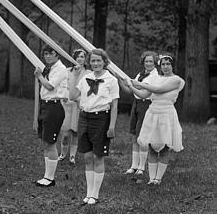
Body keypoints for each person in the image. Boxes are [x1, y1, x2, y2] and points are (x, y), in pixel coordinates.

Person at [69, 47, 119, 205]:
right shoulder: (85, 78)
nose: (96, 63)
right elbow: (72, 96)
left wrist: (111, 126)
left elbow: (115, 106)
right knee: (87, 157)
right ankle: (89, 192)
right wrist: (76, 76)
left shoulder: (111, 80)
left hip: (101, 119)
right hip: (84, 117)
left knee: (98, 157)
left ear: (105, 62)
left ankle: (95, 194)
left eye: (99, 60)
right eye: (93, 60)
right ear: (89, 63)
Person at [129, 54, 185, 185]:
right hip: (152, 113)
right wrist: (131, 86)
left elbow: (159, 90)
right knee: (152, 146)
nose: (165, 67)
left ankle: (158, 178)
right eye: (163, 64)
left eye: (168, 64)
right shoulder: (155, 79)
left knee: (164, 146)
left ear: (172, 65)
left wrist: (140, 84)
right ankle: (151, 178)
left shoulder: (177, 80)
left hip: (166, 114)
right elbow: (143, 94)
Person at [32, 45, 69, 187]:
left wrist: (39, 76)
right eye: (45, 54)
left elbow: (50, 86)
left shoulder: (60, 68)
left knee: (51, 143)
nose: (47, 56)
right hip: (45, 106)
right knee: (46, 143)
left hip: (54, 107)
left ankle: (50, 178)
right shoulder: (50, 68)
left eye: (50, 54)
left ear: (57, 54)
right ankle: (46, 176)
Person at [119, 51, 158, 176]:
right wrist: (121, 80)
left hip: (146, 104)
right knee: (135, 135)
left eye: (151, 61)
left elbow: (141, 90)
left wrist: (131, 85)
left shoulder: (155, 76)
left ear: (155, 62)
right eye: (146, 61)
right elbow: (131, 91)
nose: (148, 64)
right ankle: (134, 166)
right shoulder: (140, 74)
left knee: (143, 136)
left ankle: (141, 167)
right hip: (136, 104)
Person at [58, 49, 87, 165]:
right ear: (73, 59)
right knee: (65, 134)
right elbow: (61, 86)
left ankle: (72, 157)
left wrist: (80, 99)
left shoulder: (88, 73)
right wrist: (63, 95)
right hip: (66, 104)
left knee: (75, 132)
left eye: (82, 56)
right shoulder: (66, 71)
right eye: (77, 57)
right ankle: (63, 154)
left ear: (85, 59)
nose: (80, 59)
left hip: (79, 105)